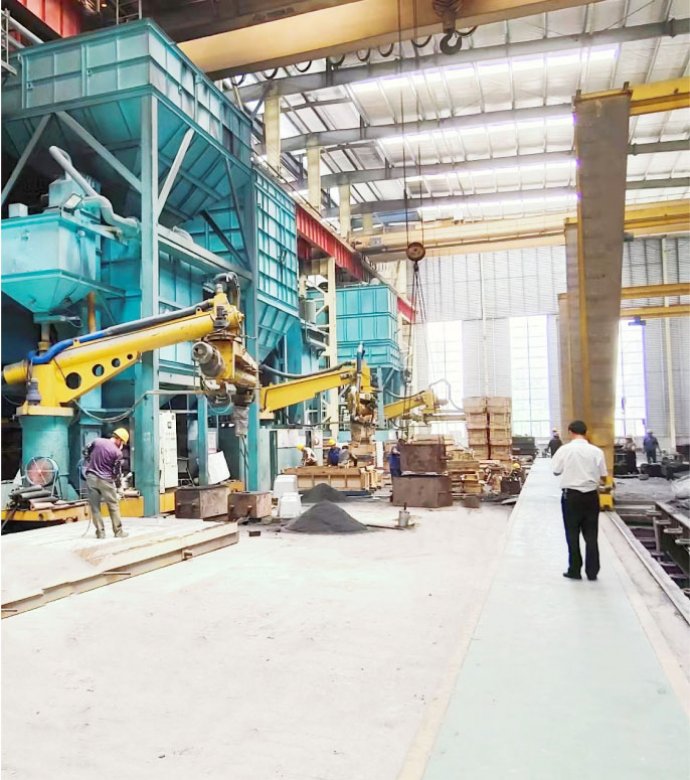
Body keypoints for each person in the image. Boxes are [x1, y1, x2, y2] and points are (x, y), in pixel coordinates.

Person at [551, 420, 607, 582]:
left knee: (572, 534)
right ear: (585, 432)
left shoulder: (564, 450)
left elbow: (556, 471)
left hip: (571, 497)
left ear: (570, 432)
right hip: (591, 497)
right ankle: (592, 572)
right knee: (591, 535)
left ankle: (574, 570)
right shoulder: (596, 451)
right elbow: (603, 476)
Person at [84, 428, 129, 540]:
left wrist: (89, 461)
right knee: (113, 506)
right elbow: (117, 471)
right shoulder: (117, 453)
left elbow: (85, 450)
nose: (122, 445)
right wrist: (118, 485)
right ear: (119, 440)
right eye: (122, 443)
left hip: (91, 478)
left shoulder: (97, 441)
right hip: (106, 480)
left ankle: (100, 533)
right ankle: (118, 531)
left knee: (95, 507)